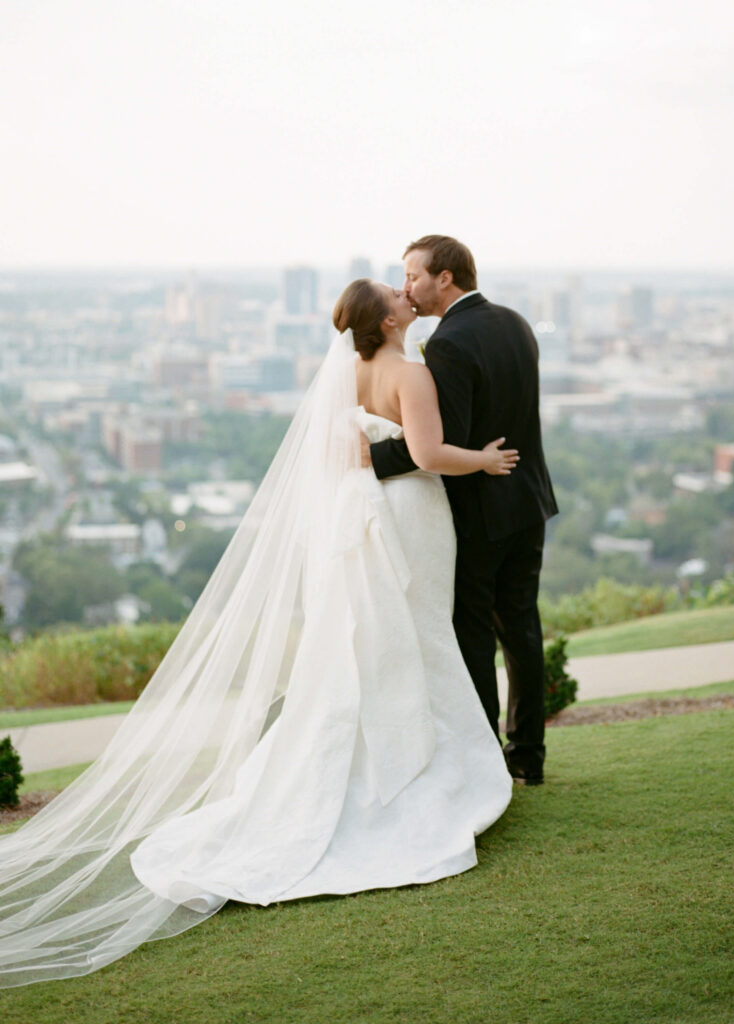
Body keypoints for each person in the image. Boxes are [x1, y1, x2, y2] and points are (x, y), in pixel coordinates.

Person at [0, 276, 518, 989]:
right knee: (415, 633)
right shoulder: (410, 372)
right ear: (387, 319)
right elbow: (427, 456)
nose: (406, 296)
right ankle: (422, 774)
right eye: (396, 297)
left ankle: (389, 758)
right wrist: (486, 460)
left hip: (362, 516)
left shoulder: (353, 371)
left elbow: (346, 457)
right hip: (410, 517)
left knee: (372, 644)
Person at [366, 236, 558, 786]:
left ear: (444, 278)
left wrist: (366, 457)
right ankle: (528, 755)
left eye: (412, 276)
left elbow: (437, 443)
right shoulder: (517, 322)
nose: (407, 287)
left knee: (473, 633)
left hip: (480, 511)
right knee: (522, 629)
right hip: (529, 500)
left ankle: (484, 761)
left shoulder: (447, 343)